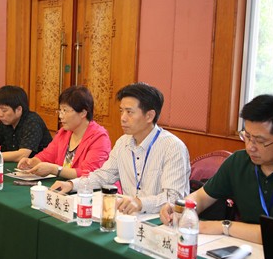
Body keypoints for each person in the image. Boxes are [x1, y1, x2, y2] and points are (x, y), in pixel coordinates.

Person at [160, 95, 273, 243]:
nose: (250, 147)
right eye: (247, 136)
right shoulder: (239, 161)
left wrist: (224, 226)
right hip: (246, 247)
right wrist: (179, 208)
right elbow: (201, 197)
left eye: (260, 141)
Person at [50, 82, 190, 215]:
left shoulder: (173, 147)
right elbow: (104, 176)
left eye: (129, 112)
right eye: (121, 111)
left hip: (161, 221)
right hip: (128, 216)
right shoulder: (123, 142)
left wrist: (141, 203)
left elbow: (174, 198)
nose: (122, 118)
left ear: (149, 116)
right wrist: (72, 185)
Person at [17, 85, 111, 179]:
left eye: (65, 111)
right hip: (63, 185)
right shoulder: (64, 133)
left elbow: (88, 174)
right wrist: (32, 162)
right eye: (60, 110)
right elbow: (47, 156)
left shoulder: (99, 138)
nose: (60, 116)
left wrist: (54, 169)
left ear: (83, 113)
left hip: (87, 187)